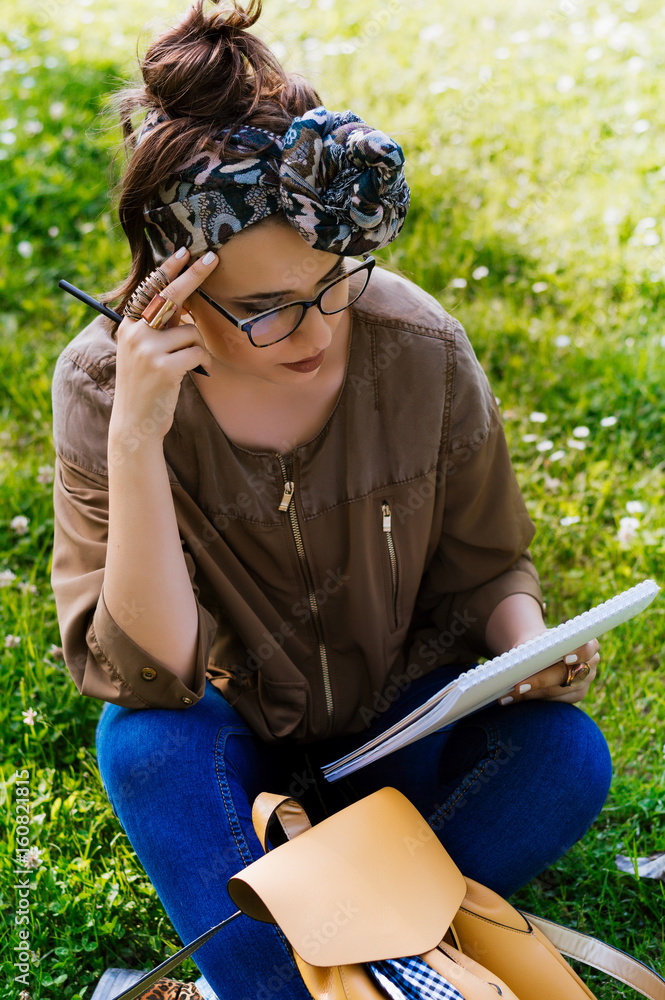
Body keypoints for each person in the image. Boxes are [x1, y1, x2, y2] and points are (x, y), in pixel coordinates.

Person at [50, 2, 612, 998]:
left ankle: (285, 963)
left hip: (397, 730)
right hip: (227, 747)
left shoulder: (417, 344)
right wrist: (138, 435)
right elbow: (152, 674)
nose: (314, 328)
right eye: (264, 307)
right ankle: (378, 955)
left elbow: (488, 567)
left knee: (563, 757)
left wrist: (530, 646)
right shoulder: (104, 385)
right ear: (171, 288)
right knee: (141, 747)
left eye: (333, 281)